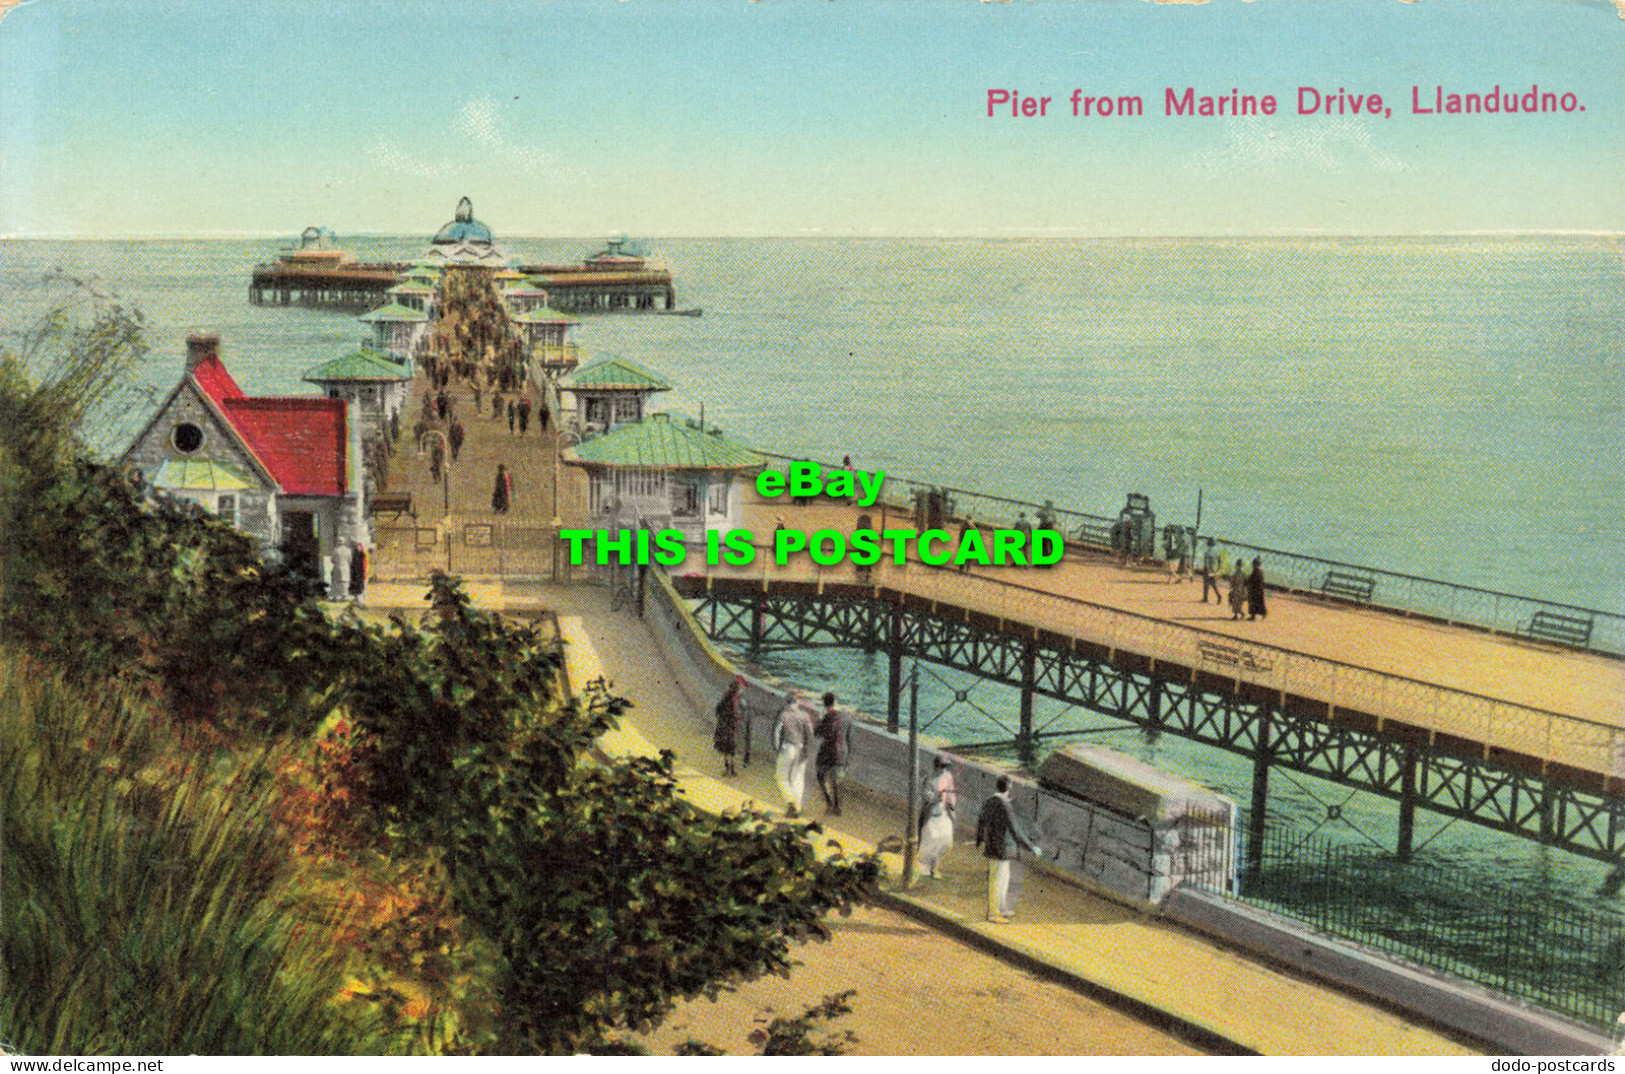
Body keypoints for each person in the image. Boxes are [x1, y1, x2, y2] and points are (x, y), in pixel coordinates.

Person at [975, 775, 1044, 923]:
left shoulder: (989, 801)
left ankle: (1001, 908)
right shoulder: (1005, 805)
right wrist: (1031, 847)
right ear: (1009, 788)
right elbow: (1015, 830)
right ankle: (993, 913)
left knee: (1002, 879)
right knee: (997, 881)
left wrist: (979, 840)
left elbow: (981, 821)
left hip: (993, 847)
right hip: (1001, 849)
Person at [774, 691, 816, 817]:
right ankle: (797, 807)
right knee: (798, 778)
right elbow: (810, 735)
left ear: (787, 702)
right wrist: (806, 749)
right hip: (801, 748)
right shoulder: (805, 716)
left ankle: (791, 802)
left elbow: (777, 733)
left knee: (781, 776)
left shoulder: (784, 715)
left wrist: (777, 748)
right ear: (797, 703)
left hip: (788, 747)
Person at [917, 755, 957, 879]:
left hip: (943, 815)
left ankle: (933, 868)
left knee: (943, 842)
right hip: (931, 815)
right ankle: (928, 869)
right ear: (936, 766)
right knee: (929, 843)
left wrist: (951, 803)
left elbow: (951, 793)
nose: (944, 769)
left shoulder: (948, 777)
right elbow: (926, 796)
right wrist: (936, 798)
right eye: (941, 766)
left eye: (945, 767)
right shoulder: (929, 779)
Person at [815, 691, 849, 816]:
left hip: (828, 752)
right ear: (835, 702)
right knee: (836, 780)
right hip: (841, 753)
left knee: (820, 775)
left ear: (824, 704)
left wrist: (819, 720)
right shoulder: (846, 716)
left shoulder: (828, 716)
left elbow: (817, 733)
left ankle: (829, 803)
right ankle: (837, 806)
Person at [713, 675, 746, 777]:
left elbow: (718, 710)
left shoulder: (725, 698)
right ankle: (731, 769)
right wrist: (738, 721)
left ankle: (727, 768)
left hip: (722, 725)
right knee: (731, 748)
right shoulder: (734, 699)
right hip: (730, 727)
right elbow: (736, 714)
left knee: (725, 748)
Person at [1200, 538, 1222, 604]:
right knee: (1212, 583)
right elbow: (1219, 561)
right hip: (1214, 569)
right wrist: (1217, 569)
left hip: (1208, 569)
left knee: (1206, 584)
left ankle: (1206, 598)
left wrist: (1205, 569)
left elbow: (1206, 562)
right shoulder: (1217, 551)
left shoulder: (1208, 551)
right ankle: (1218, 596)